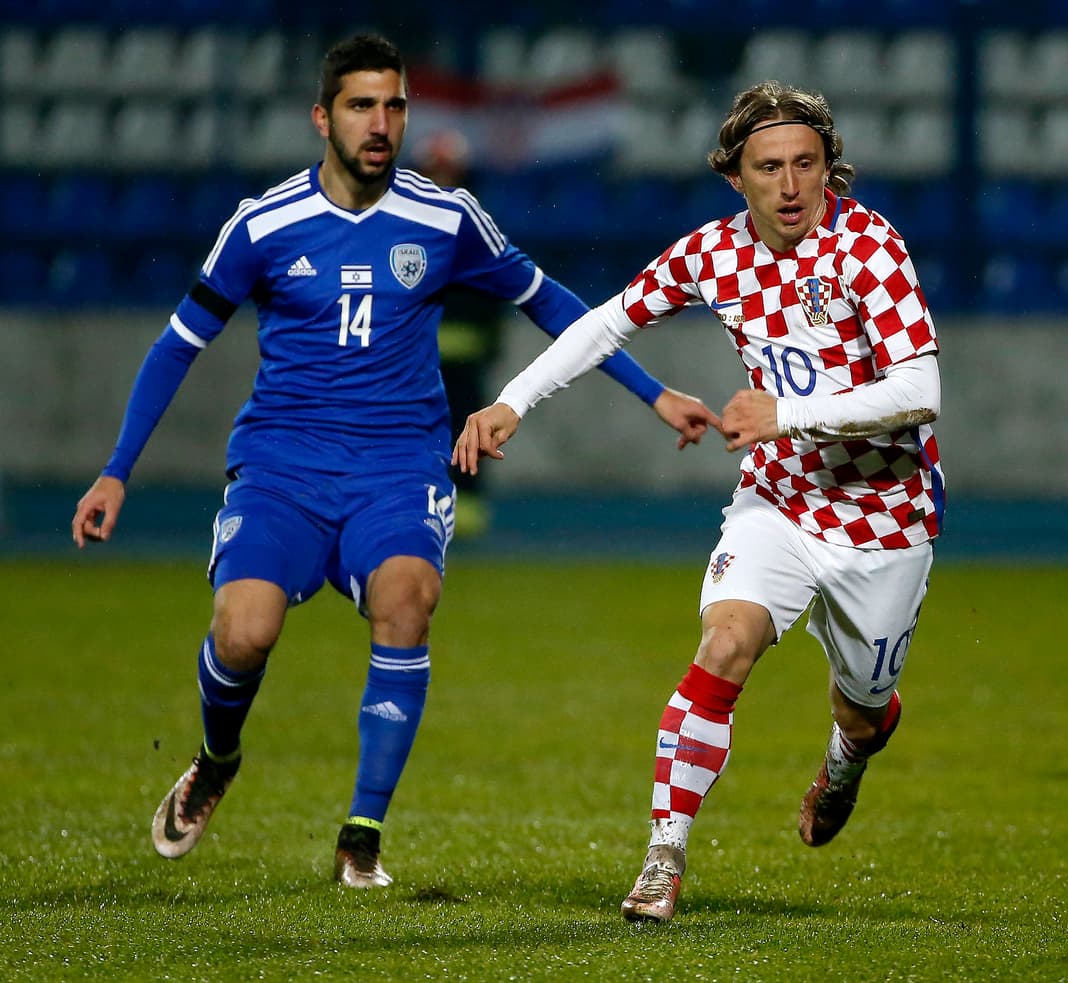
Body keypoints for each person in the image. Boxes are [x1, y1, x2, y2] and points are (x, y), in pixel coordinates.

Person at [70, 33, 718, 889]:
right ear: (322, 117)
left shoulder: (445, 217)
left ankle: (360, 837)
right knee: (244, 632)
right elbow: (176, 345)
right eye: (361, 106)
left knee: (407, 602)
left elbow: (551, 301)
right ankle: (217, 758)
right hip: (282, 464)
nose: (382, 124)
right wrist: (118, 467)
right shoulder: (262, 225)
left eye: (395, 106)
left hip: (398, 465)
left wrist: (655, 390)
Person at [454, 80, 944, 923]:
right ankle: (663, 856)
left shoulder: (870, 249)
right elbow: (606, 324)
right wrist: (511, 401)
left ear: (830, 168)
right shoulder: (712, 254)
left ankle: (845, 759)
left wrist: (787, 412)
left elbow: (921, 388)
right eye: (769, 168)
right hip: (781, 498)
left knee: (863, 711)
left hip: (884, 513)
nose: (791, 186)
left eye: (806, 164)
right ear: (736, 177)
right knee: (724, 644)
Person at [413, 128, 503, 538]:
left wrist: (489, 341)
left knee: (466, 429)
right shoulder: (424, 225)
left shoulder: (470, 225)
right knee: (420, 431)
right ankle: (427, 506)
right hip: (420, 355)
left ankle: (464, 509)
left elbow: (494, 289)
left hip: (462, 353)